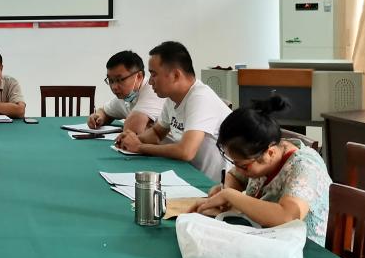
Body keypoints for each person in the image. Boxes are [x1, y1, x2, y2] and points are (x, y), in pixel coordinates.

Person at [190, 96, 331, 244]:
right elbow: (235, 177)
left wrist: (230, 195)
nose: (238, 169)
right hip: (266, 237)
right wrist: (225, 193)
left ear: (270, 153)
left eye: (242, 166)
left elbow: (288, 216)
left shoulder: (305, 167)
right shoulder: (261, 151)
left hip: (301, 248)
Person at [116, 41, 230, 182]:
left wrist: (140, 147)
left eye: (153, 74)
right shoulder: (172, 98)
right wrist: (132, 140)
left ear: (175, 75)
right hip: (188, 174)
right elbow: (157, 133)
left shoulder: (200, 98)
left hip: (212, 184)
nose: (150, 82)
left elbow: (186, 151)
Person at [86, 50, 165, 136]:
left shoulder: (153, 92)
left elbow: (131, 132)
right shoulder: (126, 96)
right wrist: (99, 117)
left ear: (139, 76)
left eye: (120, 80)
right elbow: (104, 111)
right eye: (111, 81)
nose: (114, 87)